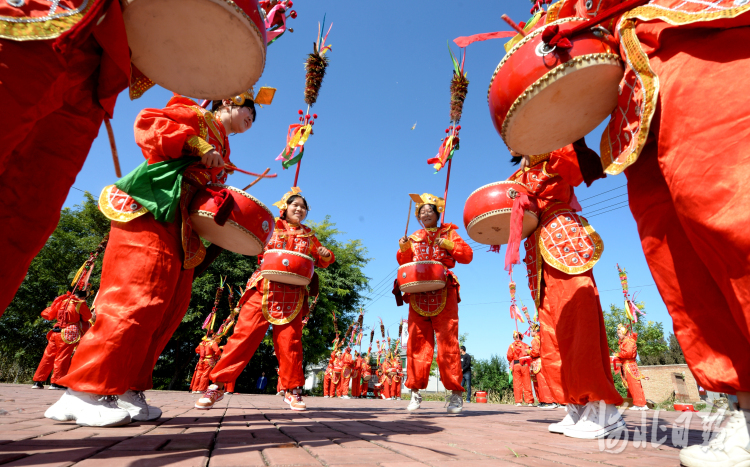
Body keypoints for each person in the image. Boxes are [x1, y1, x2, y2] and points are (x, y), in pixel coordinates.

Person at [539, 1, 750, 463]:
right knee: (674, 256)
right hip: (629, 104)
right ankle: (745, 404)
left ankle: (601, 406)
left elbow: (570, 174)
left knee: (732, 206)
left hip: (687, 36)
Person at [44, 91, 258, 427]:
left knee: (169, 307)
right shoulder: (195, 114)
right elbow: (149, 124)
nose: (252, 119)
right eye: (250, 110)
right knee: (136, 298)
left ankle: (127, 388)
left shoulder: (226, 145)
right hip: (152, 210)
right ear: (228, 102)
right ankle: (83, 391)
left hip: (182, 225)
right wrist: (198, 146)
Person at [0, 0, 131, 318]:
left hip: (101, 66)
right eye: (245, 112)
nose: (247, 121)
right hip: (43, 17)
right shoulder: (184, 114)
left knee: (26, 218)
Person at [508, 145, 624, 437]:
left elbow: (581, 170)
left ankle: (601, 407)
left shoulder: (555, 151)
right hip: (536, 252)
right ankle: (575, 405)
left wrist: (561, 140)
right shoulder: (514, 178)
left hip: (561, 237)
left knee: (577, 319)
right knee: (551, 333)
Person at [196, 188, 335, 411]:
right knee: (242, 336)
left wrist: (326, 255)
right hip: (263, 286)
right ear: (285, 208)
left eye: (303, 207)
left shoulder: (310, 236)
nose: (299, 209)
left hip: (293, 293)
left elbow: (320, 257)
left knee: (290, 343)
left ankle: (292, 390)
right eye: (295, 205)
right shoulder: (270, 226)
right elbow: (249, 239)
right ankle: (217, 385)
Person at [395, 193, 474, 413]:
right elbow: (403, 262)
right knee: (417, 344)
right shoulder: (414, 235)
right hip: (418, 294)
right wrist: (403, 248)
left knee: (448, 343)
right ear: (418, 216)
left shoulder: (449, 233)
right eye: (421, 211)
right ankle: (415, 392)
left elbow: (467, 256)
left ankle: (456, 394)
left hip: (444, 292)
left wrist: (449, 244)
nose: (425, 213)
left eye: (430, 209)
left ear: (438, 212)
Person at [32, 290, 92, 390]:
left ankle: (38, 381)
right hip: (68, 332)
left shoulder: (62, 300)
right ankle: (56, 383)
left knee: (47, 356)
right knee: (62, 357)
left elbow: (48, 313)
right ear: (82, 297)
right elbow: (88, 317)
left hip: (55, 331)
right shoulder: (79, 303)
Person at [615, 324, 647, 411]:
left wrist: (618, 354)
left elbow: (628, 353)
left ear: (624, 333)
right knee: (630, 385)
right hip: (628, 365)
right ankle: (634, 402)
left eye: (619, 333)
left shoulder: (627, 341)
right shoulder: (627, 341)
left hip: (629, 365)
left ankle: (640, 404)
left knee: (634, 384)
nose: (618, 335)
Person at [528, 323, 555, 409]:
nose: (530, 333)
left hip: (539, 361)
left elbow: (536, 352)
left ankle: (548, 401)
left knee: (542, 382)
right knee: (544, 382)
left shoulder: (535, 340)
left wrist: (529, 352)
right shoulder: (543, 338)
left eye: (531, 331)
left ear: (535, 331)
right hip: (545, 361)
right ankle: (544, 401)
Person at [507, 332, 533, 406]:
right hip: (525, 364)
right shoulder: (526, 345)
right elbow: (529, 354)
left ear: (514, 337)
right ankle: (529, 401)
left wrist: (511, 360)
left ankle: (518, 401)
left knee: (517, 383)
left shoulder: (512, 345)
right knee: (527, 382)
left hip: (516, 365)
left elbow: (509, 356)